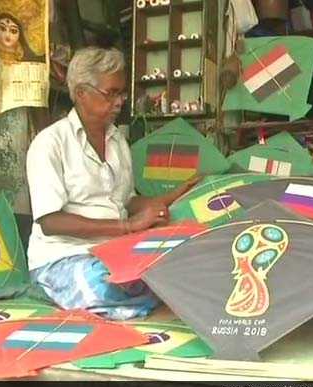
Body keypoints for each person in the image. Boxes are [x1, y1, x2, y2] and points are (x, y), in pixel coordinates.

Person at [26, 47, 198, 320]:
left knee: (179, 263)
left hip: (115, 250)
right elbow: (50, 222)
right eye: (111, 93)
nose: (119, 102)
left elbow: (125, 199)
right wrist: (128, 226)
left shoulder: (117, 141)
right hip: (64, 257)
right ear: (81, 93)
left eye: (122, 94)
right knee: (104, 282)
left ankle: (131, 297)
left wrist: (170, 199)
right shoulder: (50, 143)